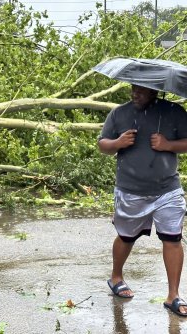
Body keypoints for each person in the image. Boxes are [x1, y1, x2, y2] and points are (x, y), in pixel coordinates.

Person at [98, 84, 187, 317]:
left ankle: (173, 296)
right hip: (130, 190)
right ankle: (116, 276)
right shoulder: (119, 113)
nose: (135, 93)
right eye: (133, 89)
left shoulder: (174, 112)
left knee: (173, 239)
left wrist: (169, 145)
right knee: (126, 237)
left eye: (141, 91)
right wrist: (117, 143)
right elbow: (102, 145)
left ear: (155, 91)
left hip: (168, 189)